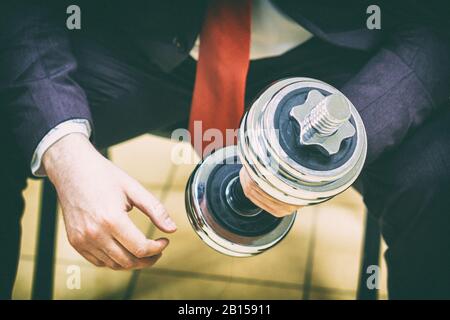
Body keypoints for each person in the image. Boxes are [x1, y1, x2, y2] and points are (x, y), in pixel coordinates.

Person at [1, 0, 449, 299]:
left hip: (335, 58)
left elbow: (436, 24)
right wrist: (62, 145)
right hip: (136, 47)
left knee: (436, 174)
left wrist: (344, 138)